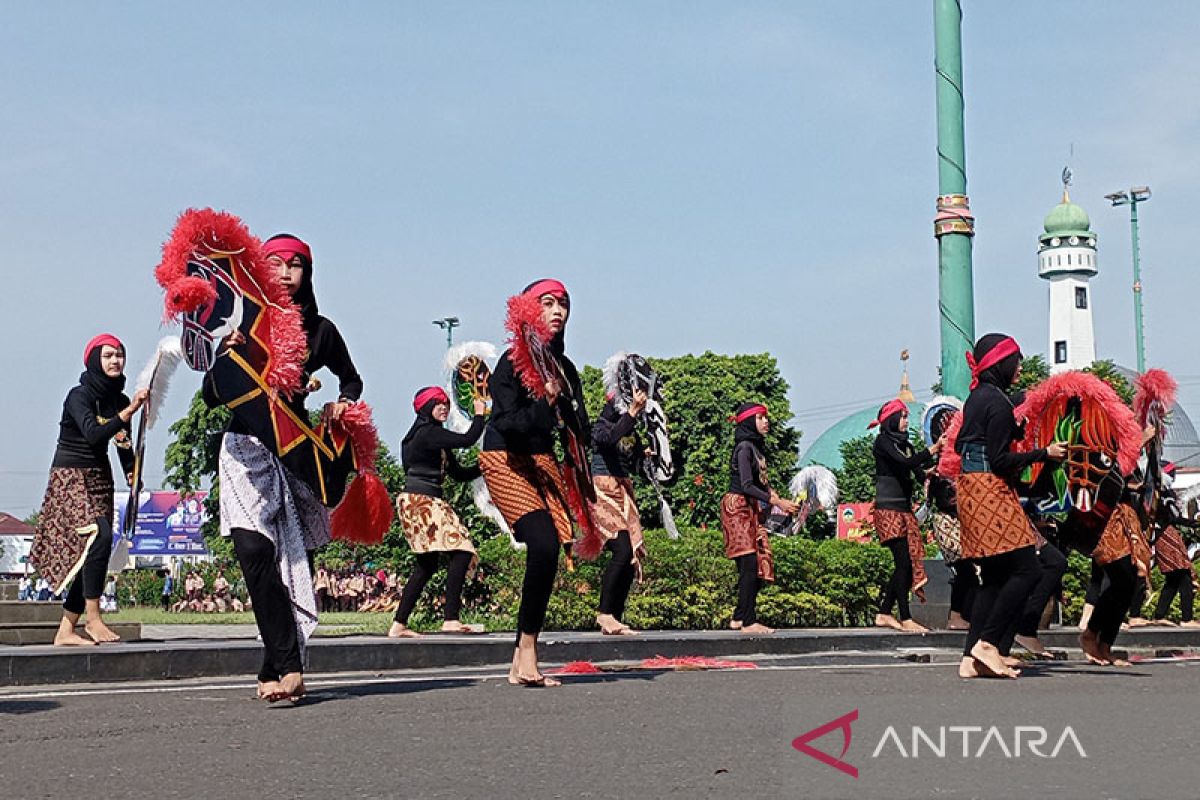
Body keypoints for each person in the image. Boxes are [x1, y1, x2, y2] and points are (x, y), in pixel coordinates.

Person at [206, 232, 364, 703]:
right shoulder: (246, 320)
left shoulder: (322, 331)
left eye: (295, 265)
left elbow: (351, 378)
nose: (284, 272)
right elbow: (212, 395)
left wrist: (344, 404)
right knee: (253, 552)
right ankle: (290, 665)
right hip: (243, 450)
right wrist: (224, 356)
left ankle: (272, 665)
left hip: (296, 453)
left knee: (293, 560)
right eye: (274, 263)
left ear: (307, 273)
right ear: (260, 269)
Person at [479, 278, 590, 687]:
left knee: (549, 552)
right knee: (542, 542)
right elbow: (506, 423)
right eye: (548, 303)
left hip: (543, 462)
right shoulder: (511, 362)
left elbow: (578, 429)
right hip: (505, 458)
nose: (557, 311)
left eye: (563, 304)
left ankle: (520, 657)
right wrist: (543, 401)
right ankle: (528, 651)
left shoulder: (566, 369)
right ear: (528, 309)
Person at [954, 334, 1066, 679]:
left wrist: (1011, 430)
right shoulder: (999, 402)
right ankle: (988, 644)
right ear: (1000, 364)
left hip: (970, 489)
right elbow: (1001, 460)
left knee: (994, 576)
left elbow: (961, 444)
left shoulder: (977, 398)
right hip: (991, 490)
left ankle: (970, 659)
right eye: (1016, 360)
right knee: (1028, 569)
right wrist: (1043, 453)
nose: (1019, 367)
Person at [29, 334, 148, 646]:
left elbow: (122, 445)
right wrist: (128, 412)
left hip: (99, 479)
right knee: (100, 535)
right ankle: (93, 620)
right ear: (95, 359)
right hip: (70, 476)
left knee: (91, 553)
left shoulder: (120, 401)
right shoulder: (78, 396)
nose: (115, 361)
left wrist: (133, 474)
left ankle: (66, 629)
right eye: (108, 355)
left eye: (119, 355)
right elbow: (95, 435)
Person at [389, 386, 488, 638]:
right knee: (462, 548)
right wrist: (480, 414)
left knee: (427, 564)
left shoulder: (436, 439)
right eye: (437, 403)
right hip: (421, 501)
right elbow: (467, 439)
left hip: (425, 500)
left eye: (445, 403)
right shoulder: (426, 434)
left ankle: (399, 624)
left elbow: (458, 473)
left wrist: (485, 466)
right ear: (425, 408)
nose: (444, 407)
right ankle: (451, 619)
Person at [720, 402, 798, 635]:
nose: (767, 422)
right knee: (749, 565)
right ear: (749, 421)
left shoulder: (756, 448)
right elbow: (746, 485)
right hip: (738, 508)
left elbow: (761, 482)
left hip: (751, 510)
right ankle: (748, 621)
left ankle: (739, 616)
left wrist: (779, 499)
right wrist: (776, 502)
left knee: (760, 563)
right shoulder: (744, 447)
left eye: (766, 417)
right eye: (761, 417)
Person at [870, 399, 942, 632]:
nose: (905, 421)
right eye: (902, 417)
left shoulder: (907, 444)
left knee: (906, 563)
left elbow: (918, 473)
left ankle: (883, 612)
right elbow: (904, 462)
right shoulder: (883, 442)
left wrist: (933, 471)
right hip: (888, 509)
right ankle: (905, 617)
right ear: (891, 420)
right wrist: (931, 450)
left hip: (904, 510)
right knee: (903, 563)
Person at [587, 385, 650, 635]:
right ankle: (605, 613)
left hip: (623, 490)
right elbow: (608, 439)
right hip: (602, 489)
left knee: (630, 556)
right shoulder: (601, 425)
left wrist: (647, 457)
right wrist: (633, 411)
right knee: (622, 549)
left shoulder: (631, 430)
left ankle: (614, 615)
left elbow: (633, 462)